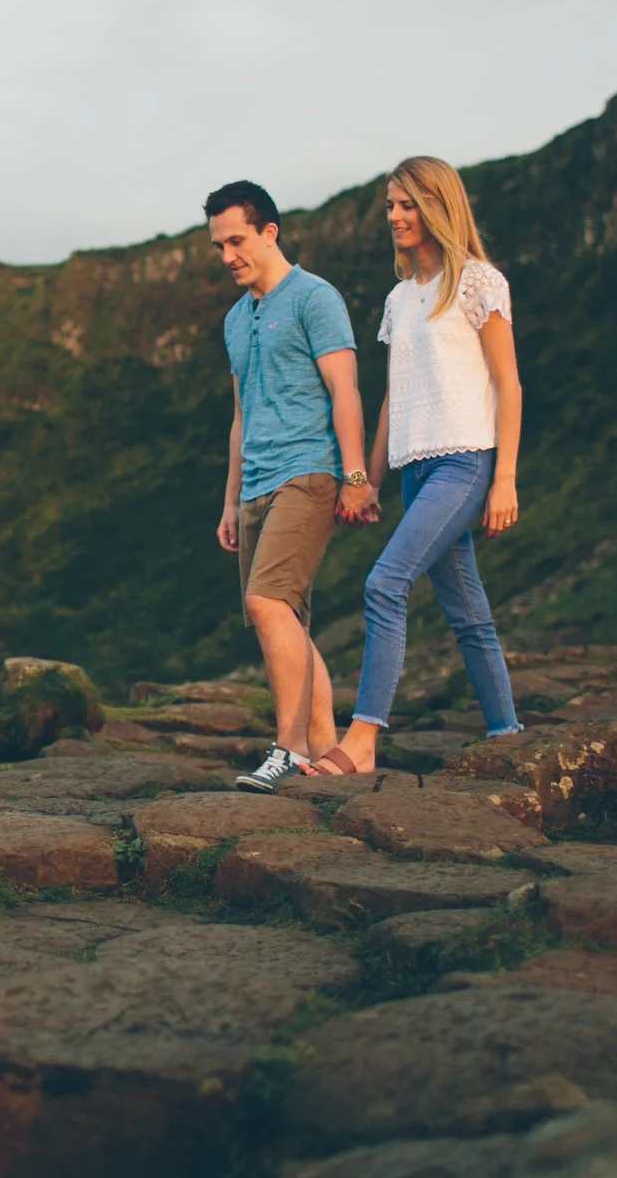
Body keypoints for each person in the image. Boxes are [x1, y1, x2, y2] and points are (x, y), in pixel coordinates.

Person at [303, 156, 523, 776]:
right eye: (391, 207)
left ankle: (363, 741)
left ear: (438, 206)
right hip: (415, 471)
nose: (396, 217)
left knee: (385, 583)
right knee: (467, 613)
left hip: (466, 461)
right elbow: (394, 398)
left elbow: (509, 384)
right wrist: (369, 481)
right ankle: (508, 735)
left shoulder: (479, 282)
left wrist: (504, 477)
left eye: (407, 205)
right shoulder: (400, 299)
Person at [207, 180, 379, 793]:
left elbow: (346, 392)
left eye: (237, 240)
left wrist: (356, 478)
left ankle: (285, 750)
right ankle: (331, 752)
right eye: (219, 245)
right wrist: (230, 499)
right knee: (281, 619)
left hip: (309, 474)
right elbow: (241, 414)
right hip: (254, 482)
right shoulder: (235, 319)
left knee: (267, 601)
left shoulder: (315, 297)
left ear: (269, 231)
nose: (227, 255)